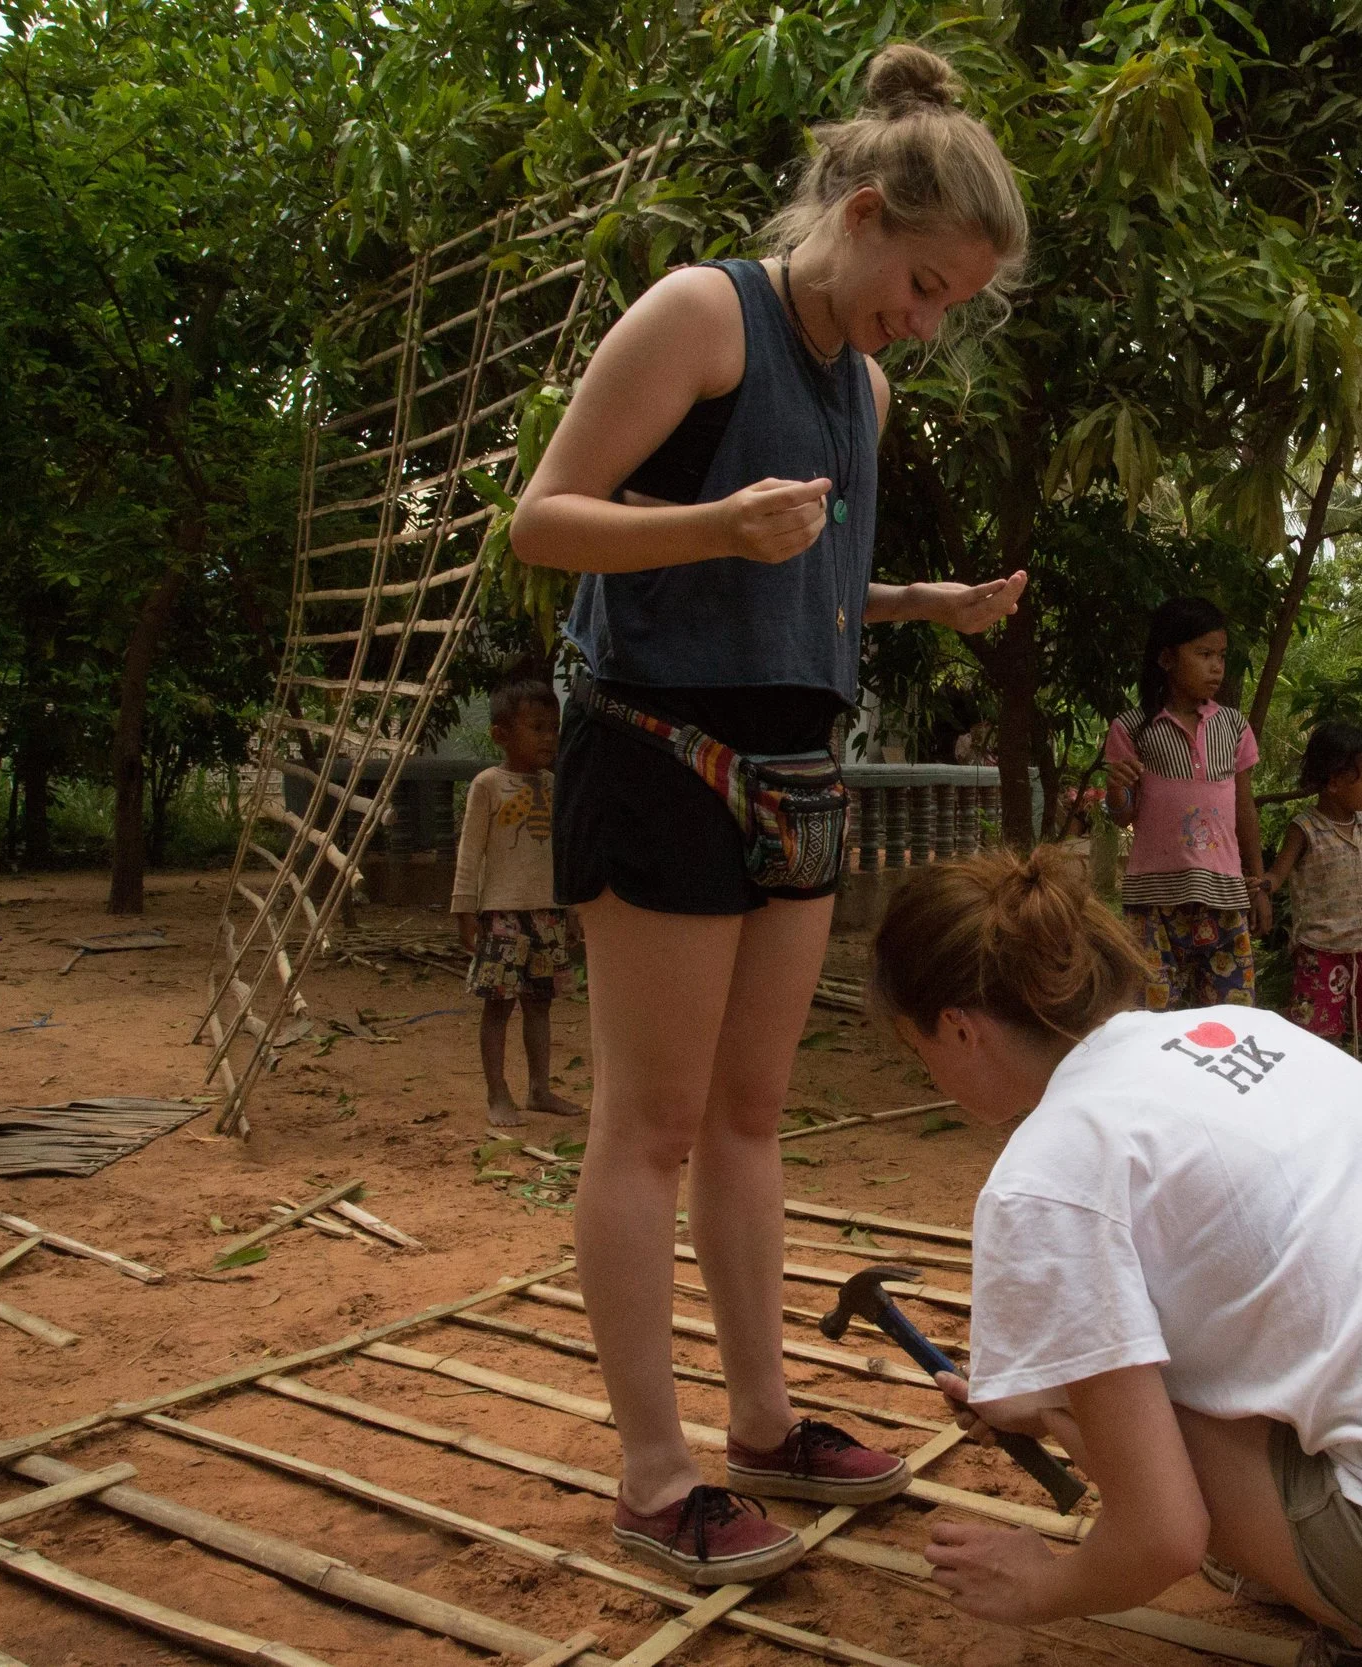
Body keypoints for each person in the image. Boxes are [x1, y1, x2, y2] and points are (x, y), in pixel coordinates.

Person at [510, 42, 1031, 1586]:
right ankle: (653, 1470)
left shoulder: (857, 381)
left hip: (800, 770)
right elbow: (547, 524)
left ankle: (760, 1419)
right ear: (863, 213)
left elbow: (788, 573)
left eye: (950, 305)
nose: (925, 325)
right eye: (925, 286)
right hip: (659, 750)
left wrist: (911, 600)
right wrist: (718, 522)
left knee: (749, 1115)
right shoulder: (699, 314)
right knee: (650, 1122)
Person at [872, 849, 1362, 1667]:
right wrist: (1045, 1402)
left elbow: (1165, 1536)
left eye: (918, 1050)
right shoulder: (1231, 1028)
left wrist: (1043, 1583)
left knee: (1150, 1409)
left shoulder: (1043, 1174)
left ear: (958, 1025)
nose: (931, 1074)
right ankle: (1331, 1561)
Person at [1102, 596, 1268, 1010]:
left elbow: (1245, 810)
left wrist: (1260, 884)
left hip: (1225, 899)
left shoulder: (1233, 726)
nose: (1216, 666)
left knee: (1230, 1019)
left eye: (1221, 656)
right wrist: (1117, 789)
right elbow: (1123, 816)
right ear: (1166, 658)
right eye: (1204, 653)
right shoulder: (1133, 728)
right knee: (1152, 1021)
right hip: (1153, 901)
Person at [452, 679, 586, 1127]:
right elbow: (469, 853)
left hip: (546, 912)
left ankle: (539, 1089)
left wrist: (571, 910)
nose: (549, 737)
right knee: (498, 1004)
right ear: (501, 734)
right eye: (536, 728)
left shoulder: (555, 786)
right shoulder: (487, 785)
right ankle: (497, 1091)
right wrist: (464, 910)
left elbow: (563, 852)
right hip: (502, 914)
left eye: (553, 727)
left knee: (540, 1004)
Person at [1261, 721, 1362, 1094]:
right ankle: (1321, 1097)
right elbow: (1279, 871)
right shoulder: (1305, 828)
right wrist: (1264, 886)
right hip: (1322, 948)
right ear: (1334, 783)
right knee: (1318, 1030)